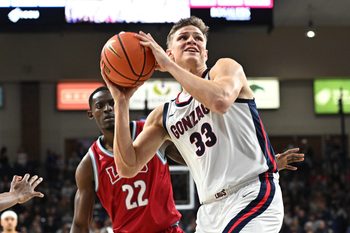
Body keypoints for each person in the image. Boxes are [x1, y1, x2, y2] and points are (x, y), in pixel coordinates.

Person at [102, 16, 295, 232]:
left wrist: (169, 66)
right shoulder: (164, 115)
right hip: (209, 211)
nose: (192, 41)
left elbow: (220, 101)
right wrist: (121, 103)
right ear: (169, 54)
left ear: (205, 53)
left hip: (251, 193)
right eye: (183, 37)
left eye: (198, 38)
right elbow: (128, 167)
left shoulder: (224, 69)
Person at [70, 86, 183, 233]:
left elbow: (194, 161)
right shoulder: (89, 165)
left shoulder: (150, 132)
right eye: (100, 106)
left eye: (113, 103)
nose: (108, 109)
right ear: (90, 114)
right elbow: (80, 225)